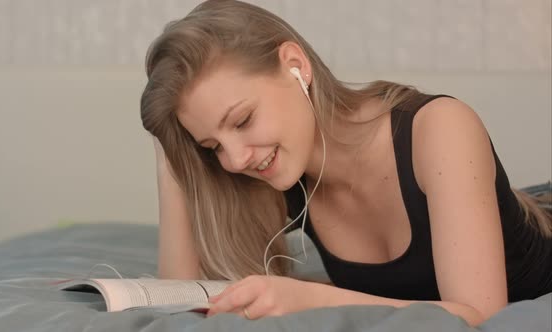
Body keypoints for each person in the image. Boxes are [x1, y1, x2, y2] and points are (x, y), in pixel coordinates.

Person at [140, 0, 552, 326]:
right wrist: (175, 153)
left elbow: (480, 315)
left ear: (296, 67)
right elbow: (179, 297)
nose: (234, 159)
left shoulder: (439, 128)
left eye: (243, 120)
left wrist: (310, 299)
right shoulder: (282, 177)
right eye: (213, 145)